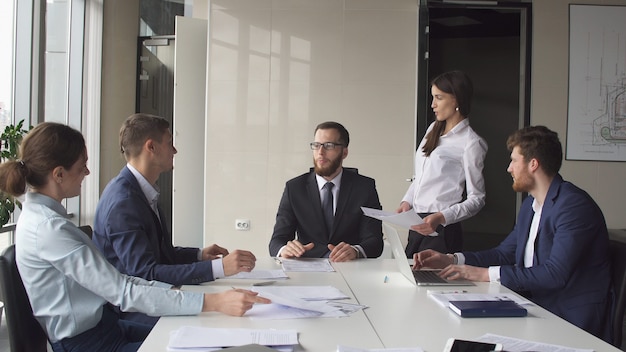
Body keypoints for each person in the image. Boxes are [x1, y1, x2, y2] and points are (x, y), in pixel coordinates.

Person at [1, 122, 270, 352]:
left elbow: (124, 281)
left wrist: (184, 293)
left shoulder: (46, 220)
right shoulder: (49, 229)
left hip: (105, 328)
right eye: (82, 166)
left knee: (209, 338)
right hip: (90, 343)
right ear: (58, 174)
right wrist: (212, 301)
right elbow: (123, 291)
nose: (87, 173)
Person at [414, 125, 612, 342]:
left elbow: (555, 274)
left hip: (568, 318)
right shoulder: (530, 205)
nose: (509, 168)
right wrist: (451, 259)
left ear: (533, 164)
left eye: (514, 161)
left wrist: (485, 274)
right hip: (534, 307)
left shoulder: (573, 206)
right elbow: (504, 253)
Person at [93, 113, 259, 325]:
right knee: (222, 321)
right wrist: (220, 268)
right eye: (170, 143)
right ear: (151, 147)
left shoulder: (138, 190)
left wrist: (199, 255)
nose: (175, 150)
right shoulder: (123, 202)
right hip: (133, 313)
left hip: (153, 299)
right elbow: (146, 273)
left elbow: (159, 254)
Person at [397, 70, 487, 257]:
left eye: (439, 97)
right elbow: (422, 176)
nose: (433, 104)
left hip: (442, 228)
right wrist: (408, 200)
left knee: (433, 283)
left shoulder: (471, 143)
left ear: (456, 99)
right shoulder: (433, 129)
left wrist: (442, 217)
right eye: (433, 97)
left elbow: (477, 199)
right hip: (418, 222)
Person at [269, 121, 383, 261]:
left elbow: (375, 241)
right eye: (316, 145)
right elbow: (276, 241)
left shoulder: (364, 187)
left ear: (344, 152)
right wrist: (284, 249)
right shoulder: (295, 188)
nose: (320, 153)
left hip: (349, 267)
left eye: (329, 146)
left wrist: (356, 250)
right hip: (307, 268)